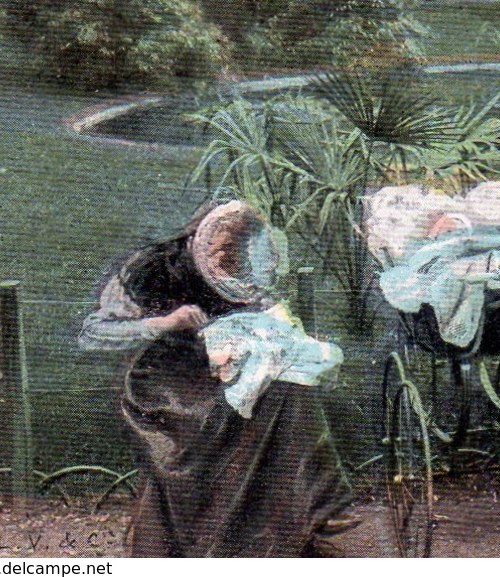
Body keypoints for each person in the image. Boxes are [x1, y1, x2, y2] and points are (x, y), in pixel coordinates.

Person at [79, 202, 356, 557]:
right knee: (213, 420)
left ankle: (303, 514)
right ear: (200, 236)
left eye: (233, 251)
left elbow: (270, 321)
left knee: (290, 394)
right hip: (167, 380)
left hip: (225, 369)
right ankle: (201, 541)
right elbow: (93, 332)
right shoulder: (155, 266)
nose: (224, 256)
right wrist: (165, 322)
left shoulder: (246, 275)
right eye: (218, 247)